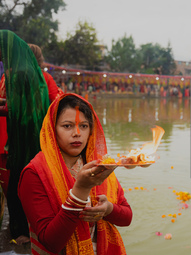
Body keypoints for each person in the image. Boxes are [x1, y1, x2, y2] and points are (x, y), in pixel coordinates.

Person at [19, 94, 132, 254]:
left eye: (84, 126)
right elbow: (50, 242)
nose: (77, 133)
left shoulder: (97, 165)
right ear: (52, 129)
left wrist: (107, 209)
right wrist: (81, 190)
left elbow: (127, 217)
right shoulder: (34, 173)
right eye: (67, 126)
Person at [0, 30, 50, 245]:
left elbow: (19, 110)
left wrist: (3, 108)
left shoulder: (20, 73)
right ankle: (28, 230)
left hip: (24, 141)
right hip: (32, 139)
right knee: (25, 186)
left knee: (17, 189)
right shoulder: (28, 71)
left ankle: (22, 234)